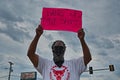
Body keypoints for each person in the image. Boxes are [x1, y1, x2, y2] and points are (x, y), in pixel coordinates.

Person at [27, 24, 92, 80]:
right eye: (56, 48)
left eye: (61, 48)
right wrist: (37, 36)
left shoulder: (75, 64)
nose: (58, 50)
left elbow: (88, 58)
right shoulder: (45, 64)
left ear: (64, 50)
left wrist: (82, 40)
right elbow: (30, 54)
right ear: (52, 50)